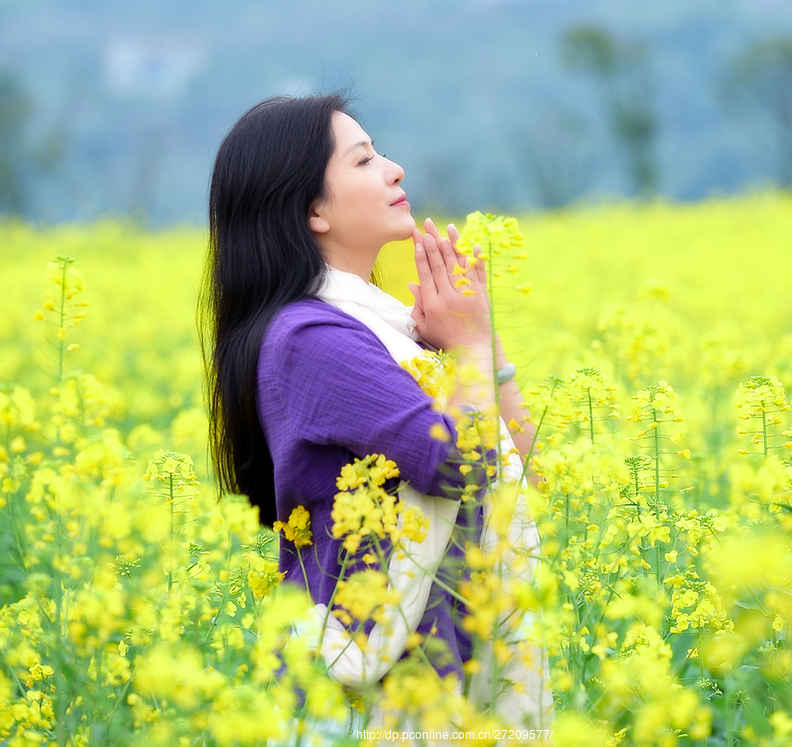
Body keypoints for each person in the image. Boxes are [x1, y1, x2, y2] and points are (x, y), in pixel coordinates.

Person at [202, 94, 552, 739]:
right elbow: (459, 466)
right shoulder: (310, 339)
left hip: (449, 658)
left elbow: (524, 480)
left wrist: (486, 352)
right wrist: (469, 349)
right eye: (364, 161)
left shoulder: (388, 330)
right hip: (377, 682)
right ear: (313, 210)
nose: (394, 170)